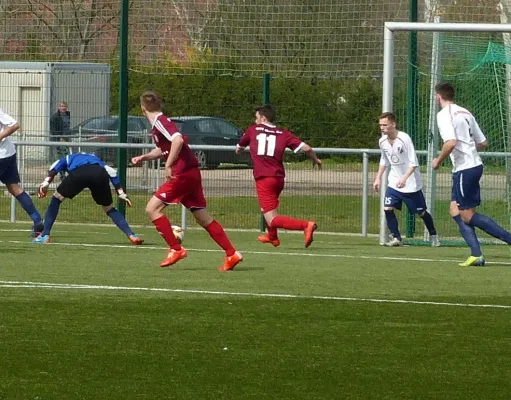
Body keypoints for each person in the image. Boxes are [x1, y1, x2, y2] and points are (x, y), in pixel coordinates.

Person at [132, 90, 242, 271]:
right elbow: (165, 148)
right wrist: (144, 157)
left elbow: (177, 141)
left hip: (181, 173)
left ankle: (176, 249)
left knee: (152, 209)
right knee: (203, 218)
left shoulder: (161, 122)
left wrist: (168, 165)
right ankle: (232, 253)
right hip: (191, 173)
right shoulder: (160, 124)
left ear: (142, 108)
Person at [433, 82, 511, 267]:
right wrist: (469, 149)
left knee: (467, 215)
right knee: (455, 208)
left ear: (438, 96)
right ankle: (476, 254)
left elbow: (450, 142)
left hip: (464, 169)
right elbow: (483, 142)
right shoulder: (465, 112)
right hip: (473, 165)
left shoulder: (444, 115)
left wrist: (438, 160)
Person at [235, 104, 321, 247]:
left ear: (263, 118)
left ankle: (306, 225)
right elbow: (307, 148)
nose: (255, 121)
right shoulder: (283, 133)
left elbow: (239, 148)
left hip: (264, 178)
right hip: (278, 178)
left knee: (272, 219)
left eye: (256, 118)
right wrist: (315, 159)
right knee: (267, 208)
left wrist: (240, 150)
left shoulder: (253, 130)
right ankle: (272, 237)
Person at [33, 152, 143, 245]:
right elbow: (112, 172)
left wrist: (46, 182)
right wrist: (120, 192)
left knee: (56, 199)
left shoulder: (69, 158)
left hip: (80, 173)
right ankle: (131, 234)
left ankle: (45, 235)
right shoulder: (96, 160)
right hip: (99, 173)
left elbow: (54, 168)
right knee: (109, 207)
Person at [373, 112, 440, 247]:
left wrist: (404, 179)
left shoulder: (404, 138)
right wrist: (378, 178)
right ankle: (397, 238)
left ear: (393, 124)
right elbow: (384, 161)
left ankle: (434, 235)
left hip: (410, 184)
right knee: (387, 208)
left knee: (421, 212)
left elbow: (413, 163)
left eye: (385, 125)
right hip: (394, 182)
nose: (382, 128)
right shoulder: (382, 141)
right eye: (380, 125)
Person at [0, 106, 44, 236]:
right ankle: (37, 221)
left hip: (2, 156)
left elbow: (14, 125)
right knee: (14, 188)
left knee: (14, 188)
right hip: (8, 154)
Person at [50, 101, 71, 179]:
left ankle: (68, 173)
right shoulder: (55, 117)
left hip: (67, 139)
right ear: (59, 107)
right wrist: (60, 138)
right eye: (62, 106)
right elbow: (53, 130)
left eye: (65, 106)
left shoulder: (68, 115)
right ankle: (62, 176)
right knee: (62, 157)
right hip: (59, 140)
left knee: (68, 156)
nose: (63, 108)